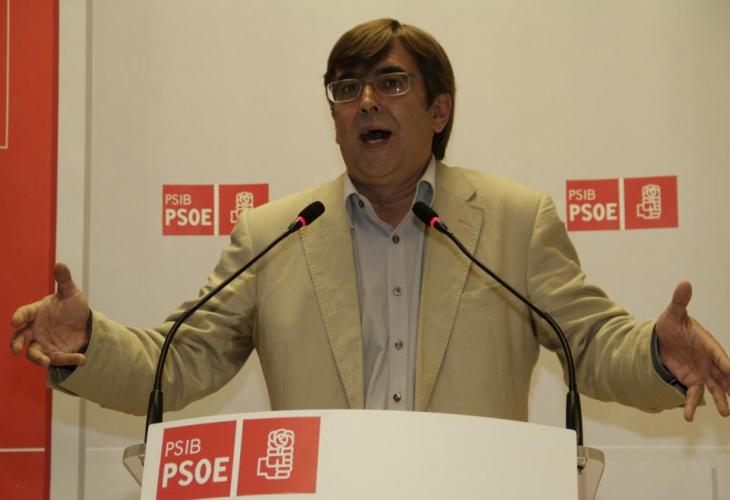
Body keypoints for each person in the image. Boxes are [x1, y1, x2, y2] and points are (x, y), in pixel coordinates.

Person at [10, 19, 730, 422]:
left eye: (391, 83)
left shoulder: (514, 221)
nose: (365, 103)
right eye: (346, 88)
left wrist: (657, 353)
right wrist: (88, 343)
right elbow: (180, 359)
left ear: (439, 110)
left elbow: (592, 343)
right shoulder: (274, 234)